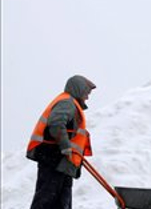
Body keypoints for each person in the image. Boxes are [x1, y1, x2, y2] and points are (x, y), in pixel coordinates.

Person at [27, 75, 96, 209]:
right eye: (86, 93)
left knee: (60, 203)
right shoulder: (67, 103)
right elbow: (57, 124)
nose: (87, 97)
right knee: (46, 200)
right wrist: (66, 148)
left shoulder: (71, 104)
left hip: (62, 162)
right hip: (54, 159)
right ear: (79, 89)